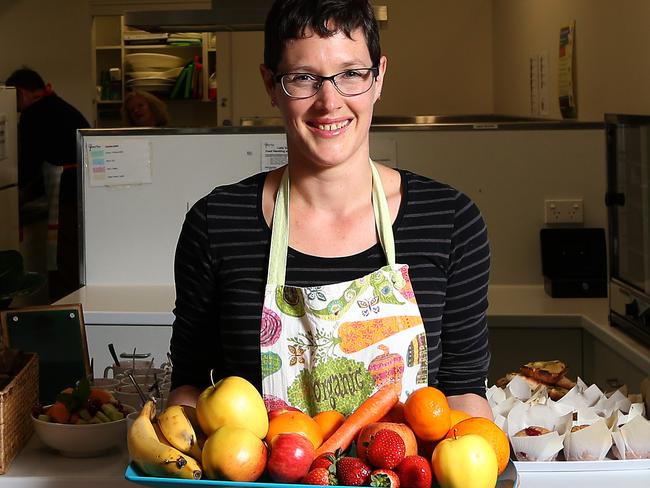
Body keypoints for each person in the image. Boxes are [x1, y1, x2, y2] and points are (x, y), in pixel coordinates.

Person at [169, 0, 492, 419]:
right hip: (263, 483)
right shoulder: (216, 224)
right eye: (303, 78)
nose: (329, 101)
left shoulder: (450, 221)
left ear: (379, 78)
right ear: (270, 84)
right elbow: (189, 387)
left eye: (352, 74)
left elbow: (463, 392)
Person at [5, 68, 90, 302]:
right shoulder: (59, 106)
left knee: (64, 262)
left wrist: (14, 193)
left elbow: (27, 165)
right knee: (74, 262)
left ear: (21, 93)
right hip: (82, 193)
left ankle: (67, 313)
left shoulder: (35, 114)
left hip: (69, 196)